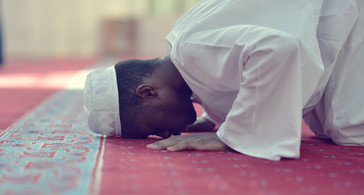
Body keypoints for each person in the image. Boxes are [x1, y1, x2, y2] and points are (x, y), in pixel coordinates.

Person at [84, 0, 364, 161]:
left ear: (147, 92)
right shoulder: (185, 52)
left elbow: (276, 49)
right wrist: (214, 115)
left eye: (152, 128)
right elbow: (232, 70)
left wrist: (231, 136)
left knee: (348, 130)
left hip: (346, 22)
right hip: (330, 33)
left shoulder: (192, 50)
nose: (166, 135)